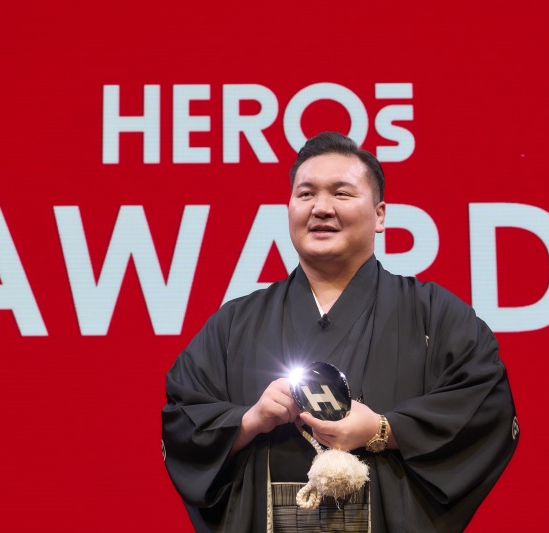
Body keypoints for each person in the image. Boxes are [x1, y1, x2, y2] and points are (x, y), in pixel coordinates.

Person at [162, 131, 519, 532]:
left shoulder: (433, 314)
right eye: (306, 194)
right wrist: (249, 420)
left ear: (380, 215)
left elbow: (485, 406)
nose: (321, 208)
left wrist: (383, 430)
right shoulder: (235, 322)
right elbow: (183, 420)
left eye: (341, 193)